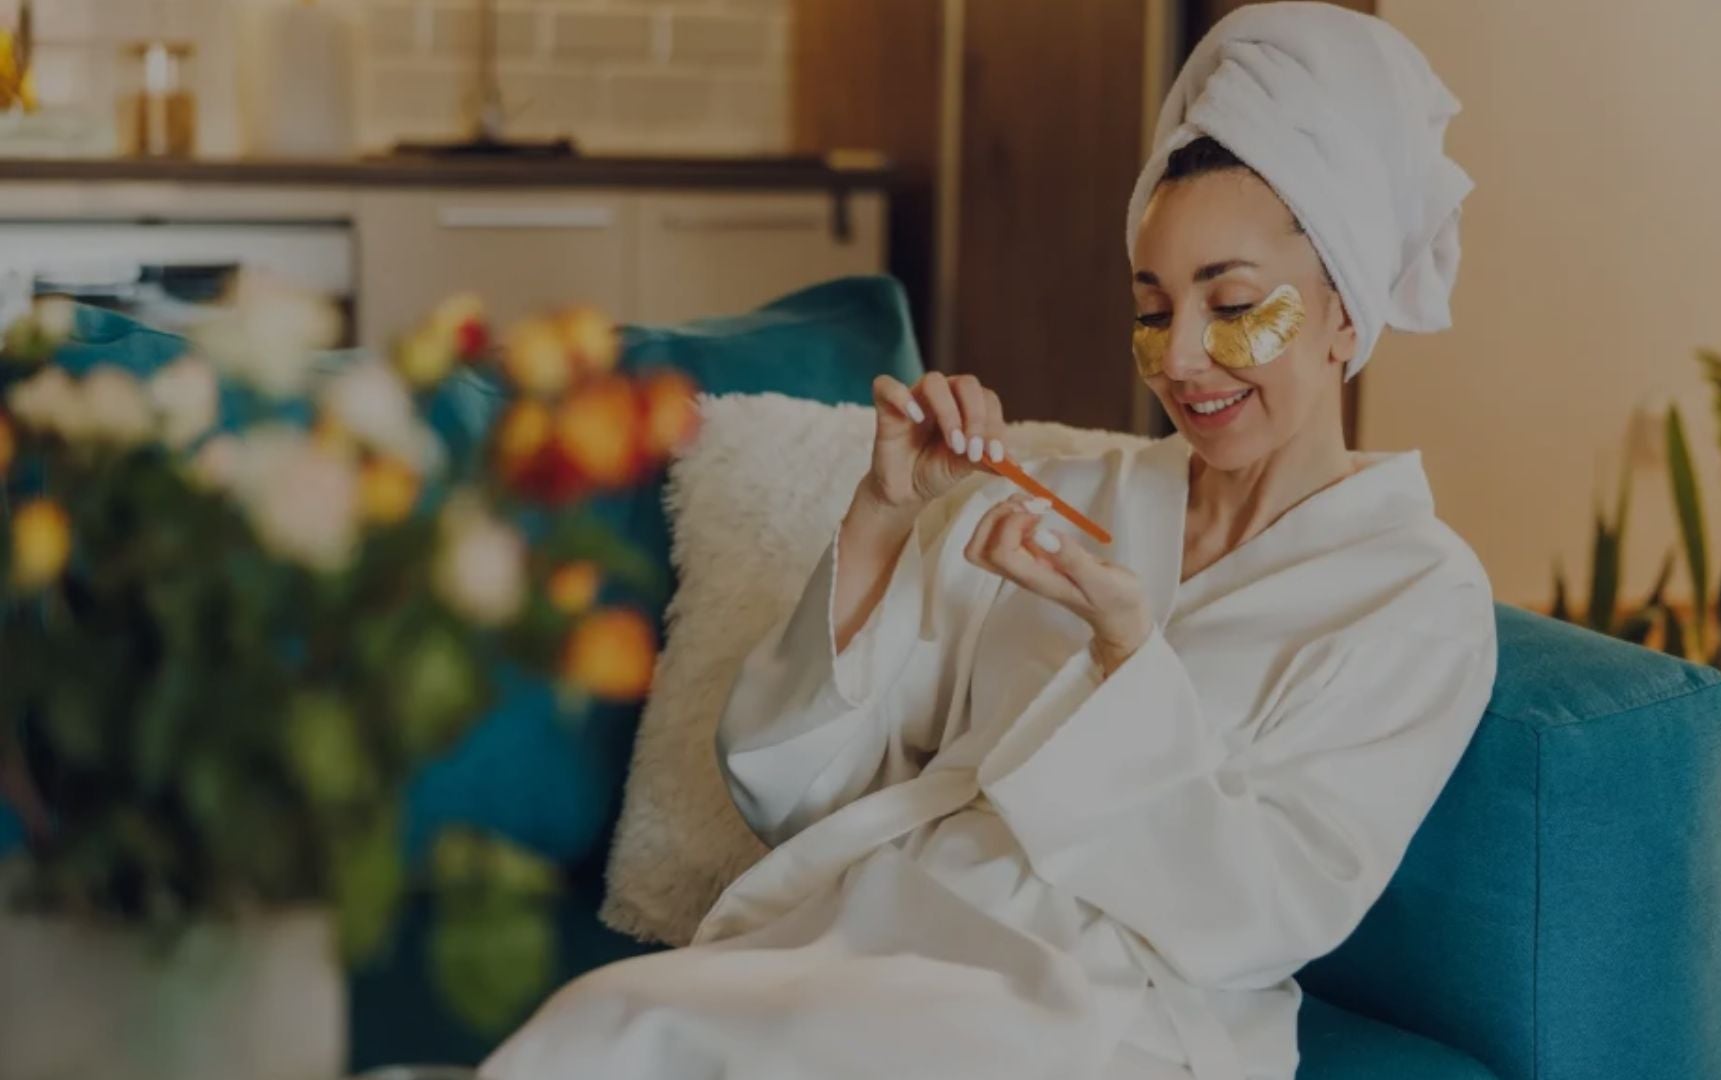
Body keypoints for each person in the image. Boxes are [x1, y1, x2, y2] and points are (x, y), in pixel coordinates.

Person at [482, 4, 1490, 1078]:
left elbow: (1266, 914)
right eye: (1153, 310)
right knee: (599, 1026)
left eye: (1234, 304)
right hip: (868, 937)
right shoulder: (1061, 502)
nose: (1183, 360)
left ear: (1347, 314)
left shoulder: (1415, 597)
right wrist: (884, 514)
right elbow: (797, 787)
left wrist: (1125, 658)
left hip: (1095, 1012)